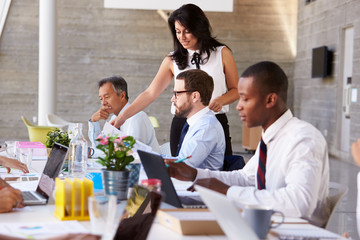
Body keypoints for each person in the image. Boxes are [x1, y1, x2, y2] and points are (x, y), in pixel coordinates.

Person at [165, 61, 330, 227]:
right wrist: (195, 174)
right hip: (266, 224)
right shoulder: (270, 136)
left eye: (245, 99)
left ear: (270, 100)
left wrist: (227, 191)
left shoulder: (302, 138)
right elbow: (247, 178)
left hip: (294, 231)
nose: (238, 106)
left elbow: (299, 203)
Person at [110, 3, 239, 157]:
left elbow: (236, 91)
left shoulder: (221, 53)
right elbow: (150, 93)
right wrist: (122, 117)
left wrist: (221, 100)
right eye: (178, 32)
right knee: (180, 175)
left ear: (199, 28)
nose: (182, 37)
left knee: (222, 171)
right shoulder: (172, 59)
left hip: (215, 122)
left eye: (187, 31)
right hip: (182, 125)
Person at [169, 69, 225, 170]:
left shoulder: (205, 128)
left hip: (197, 184)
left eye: (177, 93)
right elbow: (180, 160)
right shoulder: (196, 123)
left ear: (195, 96)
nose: (172, 99)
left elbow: (182, 166)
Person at [88, 76, 160, 154]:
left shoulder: (137, 117)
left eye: (107, 97)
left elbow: (133, 154)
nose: (103, 103)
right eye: (101, 99)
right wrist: (94, 121)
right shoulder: (113, 118)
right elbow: (101, 148)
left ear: (122, 96)